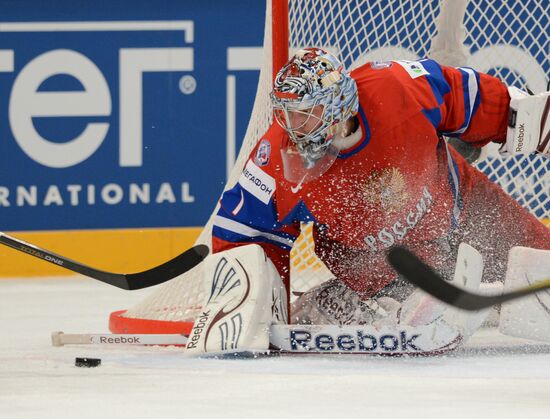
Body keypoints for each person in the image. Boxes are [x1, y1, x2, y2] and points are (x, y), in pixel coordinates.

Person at [209, 47, 550, 328]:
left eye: (307, 113)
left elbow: (464, 96)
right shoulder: (277, 156)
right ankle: (382, 301)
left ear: (337, 104)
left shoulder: (396, 87)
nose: (295, 127)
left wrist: (530, 121)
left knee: (543, 271)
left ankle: (344, 299)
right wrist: (245, 304)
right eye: (289, 115)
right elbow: (246, 231)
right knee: (406, 289)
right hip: (378, 259)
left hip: (465, 210)